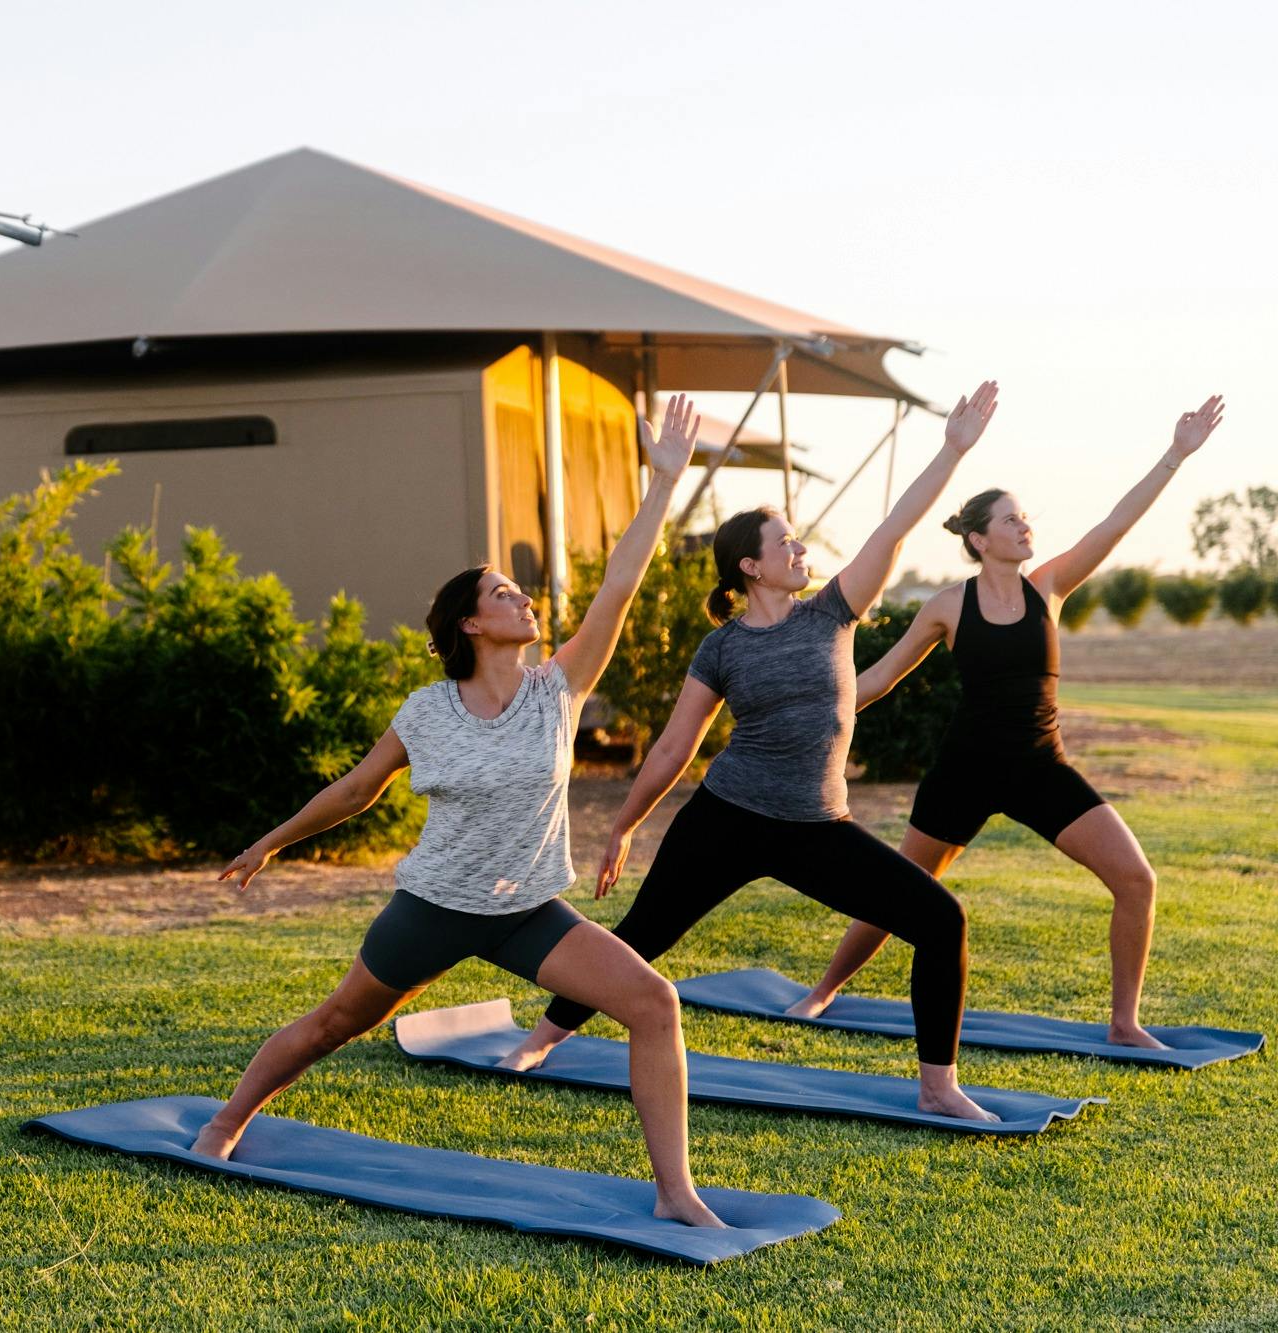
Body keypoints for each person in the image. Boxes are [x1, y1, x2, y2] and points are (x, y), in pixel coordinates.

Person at [194, 395, 727, 1228]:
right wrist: (271, 840)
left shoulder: (560, 686)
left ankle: (675, 1190)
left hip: (526, 911)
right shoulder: (427, 710)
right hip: (435, 907)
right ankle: (224, 1123)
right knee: (336, 1022)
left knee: (655, 1002)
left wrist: (661, 485)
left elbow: (622, 582)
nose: (526, 602)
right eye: (506, 594)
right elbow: (355, 789)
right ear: (473, 622)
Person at [500, 382, 1006, 1123]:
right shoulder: (722, 647)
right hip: (727, 817)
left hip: (816, 827)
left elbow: (894, 529)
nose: (802, 549)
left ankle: (937, 1083)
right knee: (642, 934)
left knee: (940, 919)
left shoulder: (834, 611)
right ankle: (540, 1039)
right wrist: (625, 823)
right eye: (786, 542)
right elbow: (677, 743)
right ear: (750, 567)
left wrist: (952, 449)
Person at [784, 395, 1227, 1047]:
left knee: (1136, 878)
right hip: (963, 771)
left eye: (1026, 519)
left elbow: (1115, 523)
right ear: (978, 538)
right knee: (899, 894)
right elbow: (877, 679)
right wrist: (806, 712)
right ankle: (821, 991)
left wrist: (1175, 454)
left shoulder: (1047, 587)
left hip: (1040, 767)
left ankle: (1124, 1021)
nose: (1026, 527)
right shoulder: (946, 605)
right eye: (1012, 519)